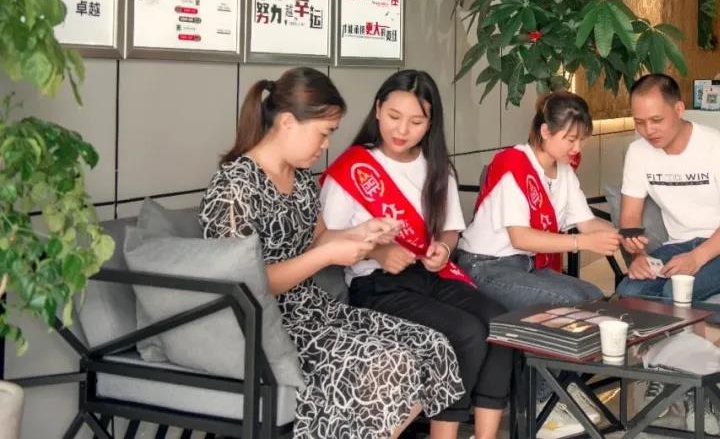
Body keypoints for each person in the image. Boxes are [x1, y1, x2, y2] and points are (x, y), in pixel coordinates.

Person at [199, 67, 465, 439]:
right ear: (288, 122)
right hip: (263, 325)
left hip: (311, 310)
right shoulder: (234, 186)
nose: (325, 146)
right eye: (323, 133)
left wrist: (364, 233)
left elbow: (321, 237)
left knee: (433, 347)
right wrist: (327, 256)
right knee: (390, 363)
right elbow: (245, 286)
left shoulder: (299, 178)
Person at [321, 69, 511, 439]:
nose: (402, 130)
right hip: (376, 286)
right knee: (466, 332)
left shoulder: (436, 167)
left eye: (416, 121)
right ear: (378, 109)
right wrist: (378, 253)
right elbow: (325, 239)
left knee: (501, 324)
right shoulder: (352, 169)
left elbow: (450, 230)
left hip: (428, 276)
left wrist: (443, 249)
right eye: (394, 116)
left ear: (430, 123)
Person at [458, 90, 619, 310]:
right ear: (545, 131)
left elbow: (586, 223)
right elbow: (521, 238)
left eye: (582, 140)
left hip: (526, 265)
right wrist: (583, 242)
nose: (577, 148)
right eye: (571, 140)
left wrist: (620, 235)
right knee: (573, 302)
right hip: (485, 265)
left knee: (594, 295)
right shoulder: (514, 164)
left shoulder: (565, 172)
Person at [616, 73, 720, 302]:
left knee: (676, 292)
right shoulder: (637, 152)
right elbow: (630, 216)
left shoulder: (716, 146)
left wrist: (697, 258)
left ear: (679, 109)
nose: (648, 130)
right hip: (678, 246)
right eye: (639, 122)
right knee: (629, 292)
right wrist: (638, 256)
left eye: (656, 120)